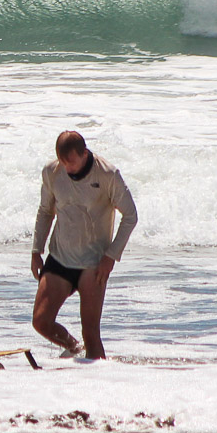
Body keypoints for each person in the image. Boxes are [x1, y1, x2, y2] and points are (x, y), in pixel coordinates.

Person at [30, 130, 137, 359]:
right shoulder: (52, 172)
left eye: (71, 163)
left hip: (94, 263)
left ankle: (99, 383)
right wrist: (36, 250)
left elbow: (130, 216)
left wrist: (111, 256)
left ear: (84, 153)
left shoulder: (108, 174)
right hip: (60, 257)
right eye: (63, 163)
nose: (67, 169)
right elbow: (45, 211)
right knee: (41, 322)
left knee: (91, 333)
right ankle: (73, 348)